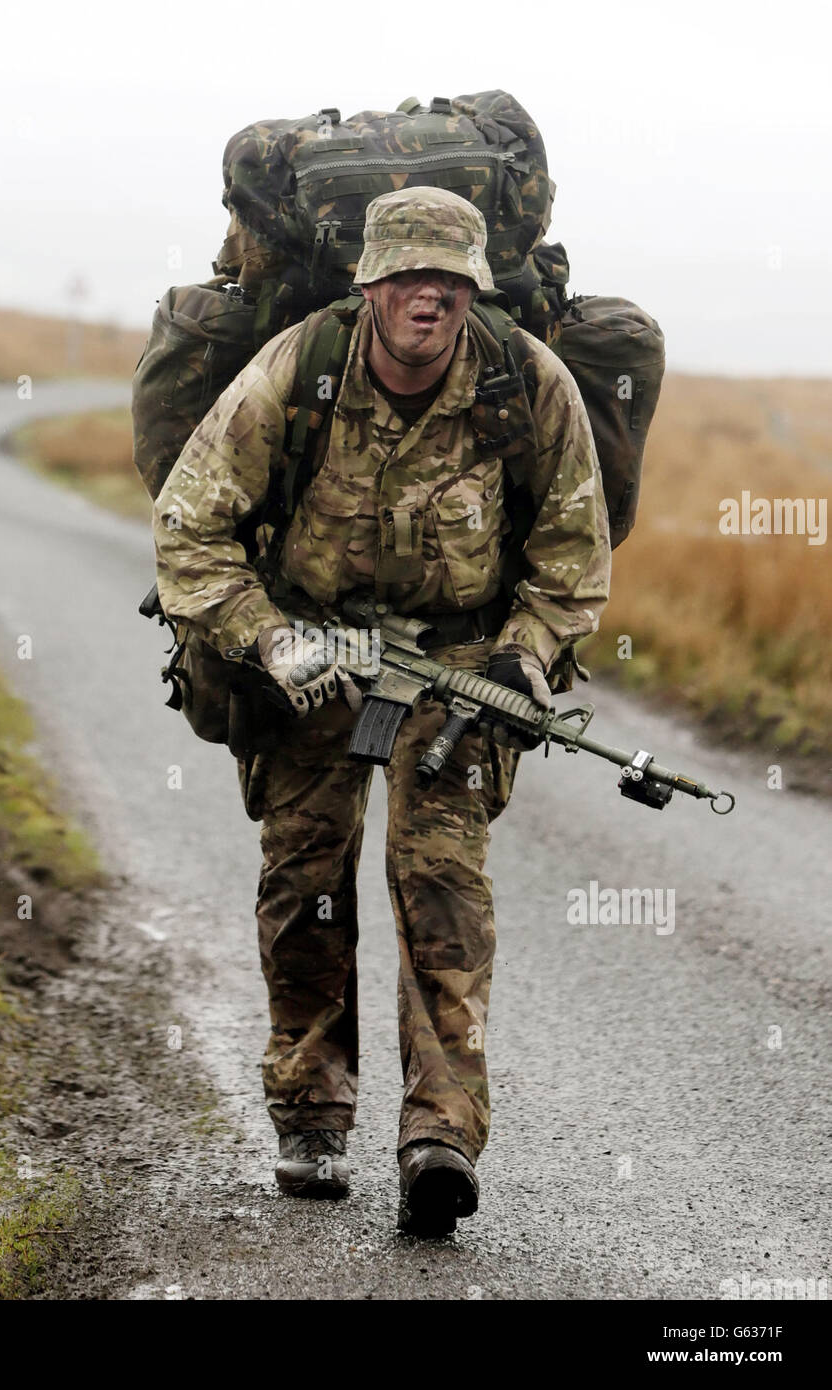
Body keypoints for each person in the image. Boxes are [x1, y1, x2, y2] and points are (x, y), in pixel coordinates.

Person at [154, 186, 611, 1236]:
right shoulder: (296, 370)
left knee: (441, 888)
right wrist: (268, 636)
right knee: (305, 877)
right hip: (309, 652)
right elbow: (190, 528)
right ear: (369, 285)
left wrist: (530, 651)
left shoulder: (520, 381)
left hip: (453, 662)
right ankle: (310, 1112)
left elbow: (573, 549)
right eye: (409, 278)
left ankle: (439, 1136)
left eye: (449, 283)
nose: (429, 301)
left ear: (472, 292)